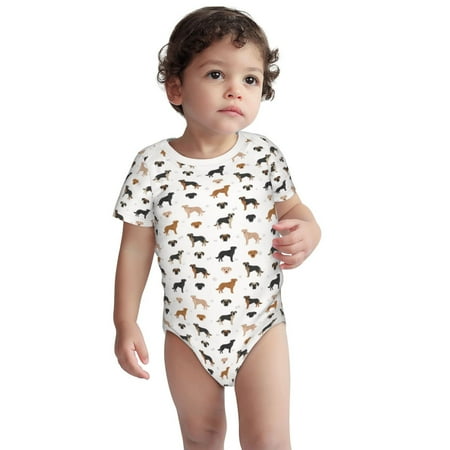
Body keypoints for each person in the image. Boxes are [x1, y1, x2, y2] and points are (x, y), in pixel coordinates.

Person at [113, 6, 321, 450]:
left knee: (269, 440)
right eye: (215, 74)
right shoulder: (151, 165)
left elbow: (296, 209)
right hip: (186, 332)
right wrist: (124, 320)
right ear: (175, 87)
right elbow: (134, 249)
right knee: (201, 436)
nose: (235, 89)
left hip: (260, 326)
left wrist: (310, 231)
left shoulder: (264, 156)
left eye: (250, 79)